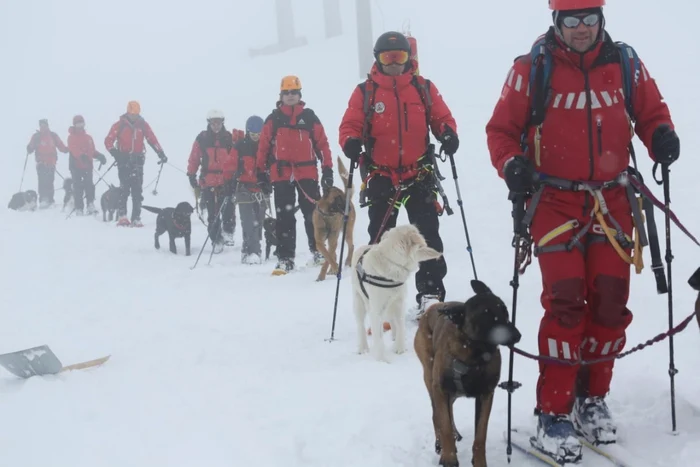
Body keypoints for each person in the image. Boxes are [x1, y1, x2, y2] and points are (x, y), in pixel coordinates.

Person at [485, 0, 679, 462]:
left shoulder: (625, 62)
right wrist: (512, 165)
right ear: (556, 22)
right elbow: (500, 130)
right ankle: (552, 412)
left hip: (614, 200)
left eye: (589, 19)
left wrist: (662, 136)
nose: (581, 29)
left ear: (601, 20)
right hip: (554, 202)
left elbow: (652, 112)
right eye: (571, 20)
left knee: (611, 305)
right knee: (566, 303)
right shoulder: (531, 67)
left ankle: (592, 397)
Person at [338, 31, 459, 316]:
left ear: (409, 59)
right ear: (377, 60)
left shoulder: (423, 88)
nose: (394, 63)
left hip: (419, 173)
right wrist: (350, 142)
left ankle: (430, 293)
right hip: (381, 175)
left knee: (426, 236)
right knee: (381, 241)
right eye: (387, 57)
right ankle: (383, 294)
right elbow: (350, 124)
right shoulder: (365, 92)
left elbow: (442, 117)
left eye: (400, 57)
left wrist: (447, 133)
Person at [256, 75, 334, 274]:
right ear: (281, 95)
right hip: (281, 174)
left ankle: (318, 252)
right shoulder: (273, 119)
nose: (290, 96)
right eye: (286, 92)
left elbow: (322, 145)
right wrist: (260, 173)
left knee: (313, 215)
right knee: (284, 217)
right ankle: (285, 258)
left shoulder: (309, 117)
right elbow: (263, 147)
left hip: (307, 172)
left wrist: (327, 169)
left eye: (294, 92)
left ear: (299, 94)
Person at [104, 101, 167, 227]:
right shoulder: (119, 125)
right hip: (123, 160)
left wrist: (160, 152)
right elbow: (108, 141)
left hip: (138, 160)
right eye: (132, 113)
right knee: (124, 189)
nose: (134, 116)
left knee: (137, 190)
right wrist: (116, 153)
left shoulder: (143, 125)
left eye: (136, 114)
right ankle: (122, 216)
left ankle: (136, 217)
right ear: (127, 112)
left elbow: (151, 139)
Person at [187, 110, 235, 253]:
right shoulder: (202, 138)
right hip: (208, 181)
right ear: (209, 123)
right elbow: (194, 157)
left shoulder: (228, 138)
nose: (216, 125)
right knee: (212, 214)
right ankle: (216, 239)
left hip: (225, 180)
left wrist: (235, 176)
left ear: (222, 122)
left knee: (228, 209)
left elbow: (235, 158)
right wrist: (191, 174)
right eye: (213, 122)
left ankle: (228, 232)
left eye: (218, 122)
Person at [228, 115, 268, 264]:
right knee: (248, 221)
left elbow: (271, 165)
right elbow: (230, 165)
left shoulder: (267, 146)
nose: (256, 137)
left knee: (259, 220)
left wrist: (269, 180)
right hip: (243, 188)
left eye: (259, 134)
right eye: (253, 134)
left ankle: (251, 249)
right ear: (247, 132)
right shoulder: (240, 146)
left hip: (261, 189)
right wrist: (230, 180)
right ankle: (252, 252)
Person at [67, 115, 107, 215]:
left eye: (81, 123)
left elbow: (92, 151)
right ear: (74, 125)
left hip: (87, 166)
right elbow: (74, 149)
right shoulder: (71, 137)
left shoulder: (88, 138)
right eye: (78, 123)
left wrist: (99, 156)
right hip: (76, 166)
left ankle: (90, 204)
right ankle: (79, 208)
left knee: (90, 186)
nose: (80, 125)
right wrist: (82, 156)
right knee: (78, 188)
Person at [26, 119, 69, 208]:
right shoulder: (36, 136)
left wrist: (66, 149)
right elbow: (31, 146)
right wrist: (29, 148)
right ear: (39, 126)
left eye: (44, 124)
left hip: (51, 162)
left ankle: (50, 199)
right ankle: (43, 199)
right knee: (42, 181)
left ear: (47, 125)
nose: (43, 126)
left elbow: (60, 145)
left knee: (50, 181)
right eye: (41, 125)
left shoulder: (53, 135)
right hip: (41, 162)